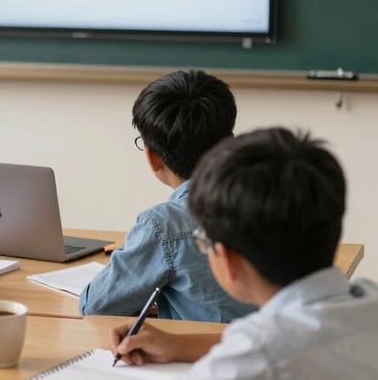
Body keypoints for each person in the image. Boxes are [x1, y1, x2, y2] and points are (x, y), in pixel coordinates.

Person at [110, 127, 378, 378]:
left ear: (226, 260)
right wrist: (176, 344)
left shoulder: (243, 364)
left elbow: (261, 348)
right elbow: (284, 336)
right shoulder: (369, 299)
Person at [80, 69, 254, 321]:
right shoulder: (276, 202)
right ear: (229, 144)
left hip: (195, 358)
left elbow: (94, 308)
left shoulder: (163, 226)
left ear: (152, 157)